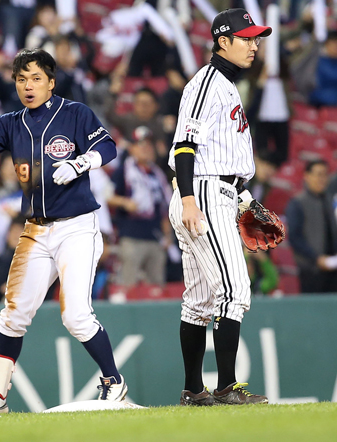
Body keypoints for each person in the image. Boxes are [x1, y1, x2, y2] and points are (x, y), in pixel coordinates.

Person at [0, 48, 129, 414]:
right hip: (35, 230)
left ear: (50, 81)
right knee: (13, 315)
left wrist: (81, 162)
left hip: (77, 227)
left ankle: (114, 380)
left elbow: (107, 146)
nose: (27, 86)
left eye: (35, 78)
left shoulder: (75, 113)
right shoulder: (12, 122)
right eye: (20, 79)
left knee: (76, 315)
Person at [168, 9, 274, 406]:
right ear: (222, 41)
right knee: (234, 291)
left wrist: (244, 200)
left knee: (199, 300)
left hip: (219, 192)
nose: (254, 44)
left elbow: (223, 157)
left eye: (256, 38)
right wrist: (190, 200)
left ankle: (194, 390)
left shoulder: (227, 85)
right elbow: (184, 145)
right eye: (246, 38)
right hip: (202, 193)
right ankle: (227, 386)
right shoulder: (207, 83)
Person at [107, 126, 172, 291]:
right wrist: (124, 202)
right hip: (131, 236)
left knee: (156, 287)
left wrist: (167, 235)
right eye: (140, 145)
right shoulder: (123, 171)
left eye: (148, 145)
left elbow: (164, 208)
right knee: (128, 285)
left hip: (155, 238)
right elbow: (107, 197)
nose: (145, 149)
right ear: (132, 149)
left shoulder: (158, 175)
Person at [286, 160, 337, 294]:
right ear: (307, 176)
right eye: (318, 175)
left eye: (325, 175)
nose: (322, 179)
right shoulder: (298, 203)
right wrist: (316, 258)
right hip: (311, 271)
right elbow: (295, 237)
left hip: (333, 268)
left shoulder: (330, 201)